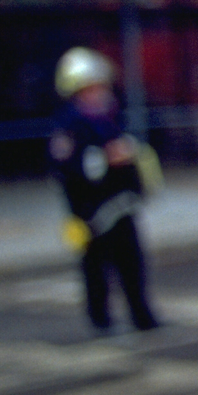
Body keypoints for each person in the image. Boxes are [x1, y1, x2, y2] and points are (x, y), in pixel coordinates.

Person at [50, 46, 160, 335]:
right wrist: (106, 157)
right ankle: (100, 319)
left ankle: (142, 315)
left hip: (121, 205)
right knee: (96, 268)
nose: (97, 93)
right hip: (92, 212)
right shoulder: (71, 125)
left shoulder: (109, 116)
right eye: (90, 88)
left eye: (100, 86)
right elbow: (72, 168)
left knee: (132, 262)